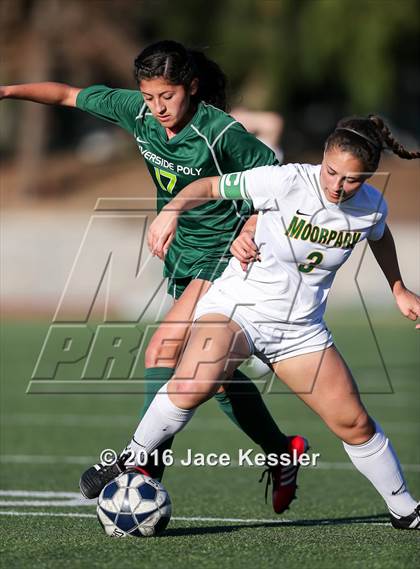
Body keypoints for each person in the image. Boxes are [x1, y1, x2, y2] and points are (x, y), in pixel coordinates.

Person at [0, 40, 304, 512]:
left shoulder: (219, 131)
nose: (159, 108)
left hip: (225, 257)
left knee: (162, 348)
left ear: (192, 87)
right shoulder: (137, 114)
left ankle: (140, 467)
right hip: (182, 256)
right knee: (216, 377)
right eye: (149, 97)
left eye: (168, 96)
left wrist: (250, 225)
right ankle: (282, 451)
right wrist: (7, 90)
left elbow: (281, 181)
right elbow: (63, 94)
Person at [126, 115, 420, 530]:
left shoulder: (370, 206)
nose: (336, 185)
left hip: (299, 330)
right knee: (196, 380)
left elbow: (380, 234)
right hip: (238, 306)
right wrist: (171, 212)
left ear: (368, 176)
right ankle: (130, 457)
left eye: (351, 179)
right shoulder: (286, 180)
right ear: (322, 159)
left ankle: (405, 509)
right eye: (331, 171)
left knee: (354, 423)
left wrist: (399, 288)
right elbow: (209, 186)